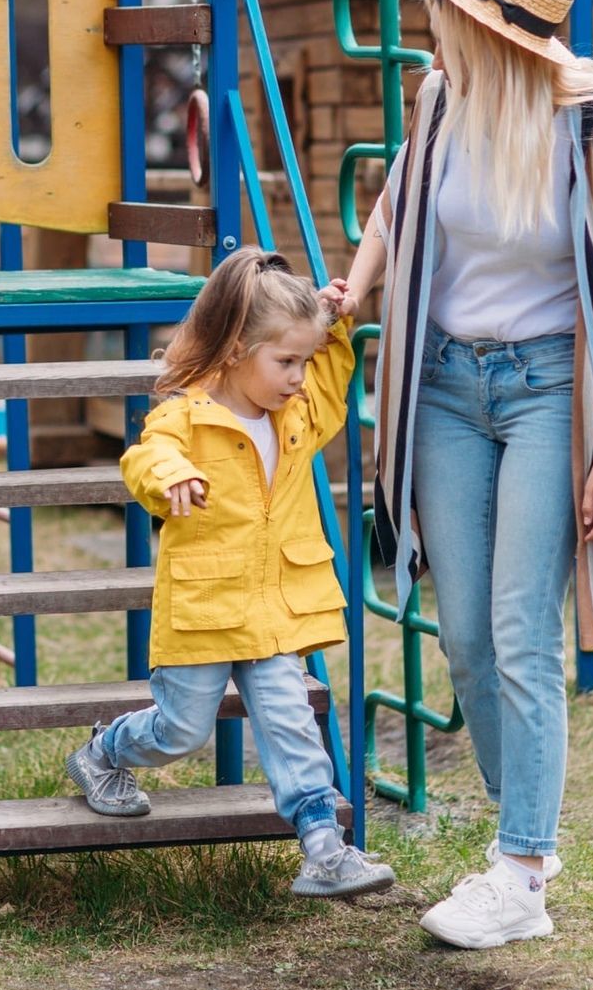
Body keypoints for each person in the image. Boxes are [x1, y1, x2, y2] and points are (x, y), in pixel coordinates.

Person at [341, 0, 593, 950]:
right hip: (441, 385)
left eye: (445, 15)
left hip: (548, 393)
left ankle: (522, 868)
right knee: (467, 637)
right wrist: (350, 292)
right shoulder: (442, 100)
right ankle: (517, 832)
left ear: (490, 33)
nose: (431, 28)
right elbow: (395, 208)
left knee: (522, 627)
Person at [65, 248, 394, 900]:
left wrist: (330, 325)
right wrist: (172, 476)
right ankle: (104, 752)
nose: (298, 377)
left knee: (290, 720)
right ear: (238, 351)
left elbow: (330, 378)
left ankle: (324, 848)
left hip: (272, 610)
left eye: (303, 361)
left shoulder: (297, 415)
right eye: (285, 362)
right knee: (180, 730)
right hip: (207, 608)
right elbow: (145, 458)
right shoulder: (184, 417)